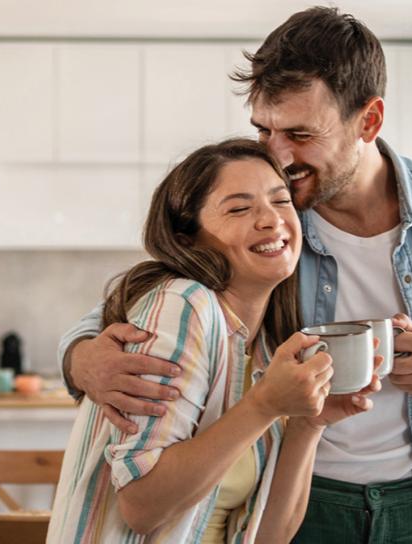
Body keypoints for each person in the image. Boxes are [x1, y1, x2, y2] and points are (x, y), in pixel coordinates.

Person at [57, 7, 412, 543]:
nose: (277, 155)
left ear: (369, 121)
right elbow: (133, 316)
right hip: (292, 496)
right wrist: (82, 361)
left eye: (300, 133)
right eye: (263, 128)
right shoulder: (268, 225)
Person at [46, 138, 378, 543]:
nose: (271, 220)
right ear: (187, 239)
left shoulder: (266, 345)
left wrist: (311, 421)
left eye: (281, 201)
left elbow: (268, 534)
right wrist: (264, 405)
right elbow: (141, 505)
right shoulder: (184, 305)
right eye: (239, 208)